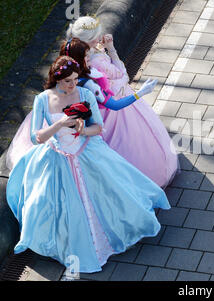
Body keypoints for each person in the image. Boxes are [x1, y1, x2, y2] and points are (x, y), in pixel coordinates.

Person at [6, 56, 171, 273]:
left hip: (87, 152)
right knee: (56, 205)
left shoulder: (85, 94)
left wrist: (83, 130)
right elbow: (36, 137)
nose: (73, 84)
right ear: (56, 79)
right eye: (67, 81)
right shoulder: (43, 100)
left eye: (75, 79)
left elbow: (98, 128)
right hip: (57, 157)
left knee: (114, 189)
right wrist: (60, 124)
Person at [5, 38, 158, 172]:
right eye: (86, 56)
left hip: (73, 134)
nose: (90, 58)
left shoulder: (56, 85)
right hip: (82, 138)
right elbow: (115, 105)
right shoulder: (90, 85)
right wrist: (140, 93)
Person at [66, 16, 179, 188]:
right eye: (96, 35)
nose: (100, 37)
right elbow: (122, 74)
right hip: (114, 103)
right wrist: (111, 49)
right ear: (89, 41)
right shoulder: (95, 62)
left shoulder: (77, 55)